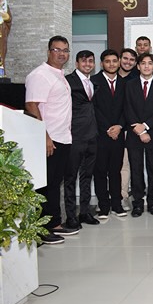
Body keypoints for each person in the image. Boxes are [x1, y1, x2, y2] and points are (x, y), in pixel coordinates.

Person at [24, 35, 79, 244]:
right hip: (49, 138)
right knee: (44, 185)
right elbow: (31, 105)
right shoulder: (40, 75)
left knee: (55, 183)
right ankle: (41, 229)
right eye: (57, 50)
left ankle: (54, 223)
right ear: (49, 51)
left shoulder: (59, 74)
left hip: (62, 136)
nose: (62, 54)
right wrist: (45, 136)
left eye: (65, 50)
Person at [124, 52, 153, 217]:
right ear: (138, 66)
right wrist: (140, 130)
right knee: (136, 170)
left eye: (150, 63)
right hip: (134, 133)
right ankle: (137, 203)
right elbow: (127, 108)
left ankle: (152, 202)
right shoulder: (130, 85)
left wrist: (146, 126)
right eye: (143, 63)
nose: (147, 66)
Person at [63, 50, 99, 229]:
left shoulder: (93, 83)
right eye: (84, 61)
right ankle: (71, 216)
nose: (87, 64)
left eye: (90, 61)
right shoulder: (68, 81)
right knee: (70, 178)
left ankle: (84, 212)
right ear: (76, 63)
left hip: (92, 136)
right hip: (74, 136)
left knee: (87, 176)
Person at [91, 48, 128, 218]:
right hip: (100, 134)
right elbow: (94, 109)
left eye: (114, 61)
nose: (111, 64)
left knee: (115, 170)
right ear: (101, 64)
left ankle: (117, 204)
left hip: (118, 134)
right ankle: (103, 206)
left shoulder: (125, 83)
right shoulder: (93, 82)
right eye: (107, 61)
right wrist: (107, 128)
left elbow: (127, 108)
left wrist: (119, 126)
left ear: (119, 62)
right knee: (100, 171)